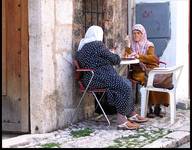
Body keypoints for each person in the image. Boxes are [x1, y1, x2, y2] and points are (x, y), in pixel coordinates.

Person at [76, 25, 148, 130]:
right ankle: (122, 121)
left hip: (90, 79)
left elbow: (96, 61)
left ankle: (130, 113)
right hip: (97, 78)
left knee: (126, 82)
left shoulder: (83, 48)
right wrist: (113, 54)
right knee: (124, 86)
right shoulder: (97, 45)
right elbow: (115, 60)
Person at [123, 24, 170, 118]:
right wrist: (128, 46)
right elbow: (126, 56)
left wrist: (139, 56)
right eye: (134, 33)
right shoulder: (131, 46)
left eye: (138, 33)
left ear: (142, 34)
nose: (136, 35)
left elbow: (152, 58)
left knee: (160, 78)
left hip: (150, 68)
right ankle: (149, 108)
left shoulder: (149, 45)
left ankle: (158, 106)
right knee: (148, 79)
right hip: (137, 71)